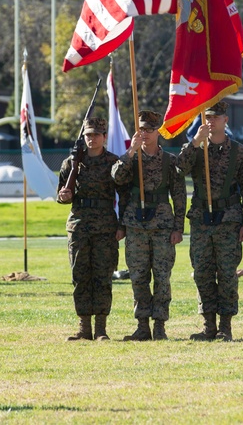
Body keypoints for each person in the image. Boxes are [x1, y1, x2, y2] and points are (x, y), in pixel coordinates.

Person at [176, 100, 243, 342]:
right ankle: (208, 325)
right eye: (207, 117)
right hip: (201, 220)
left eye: (215, 117)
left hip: (229, 220)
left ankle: (226, 326)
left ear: (225, 121)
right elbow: (179, 168)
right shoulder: (196, 149)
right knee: (202, 272)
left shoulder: (239, 152)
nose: (210, 121)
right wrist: (194, 143)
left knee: (227, 274)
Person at [111, 110, 186, 341]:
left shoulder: (169, 161)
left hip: (162, 226)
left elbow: (180, 195)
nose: (145, 133)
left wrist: (178, 227)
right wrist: (130, 151)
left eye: (150, 130)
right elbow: (116, 177)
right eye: (141, 129)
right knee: (138, 276)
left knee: (162, 277)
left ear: (158, 132)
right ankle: (142, 325)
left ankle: (160, 325)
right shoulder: (131, 159)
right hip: (135, 225)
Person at [57, 117, 125, 341]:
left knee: (103, 276)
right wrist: (64, 196)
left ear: (104, 137)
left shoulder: (113, 162)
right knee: (80, 275)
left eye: (96, 135)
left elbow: (124, 197)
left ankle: (101, 328)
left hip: (105, 226)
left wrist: (121, 225)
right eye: (88, 135)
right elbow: (62, 195)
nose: (92, 139)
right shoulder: (71, 163)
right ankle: (84, 327)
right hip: (79, 226)